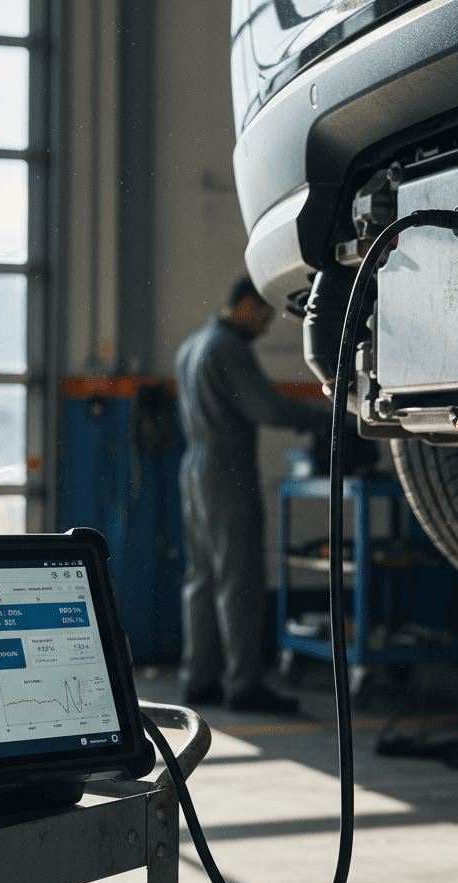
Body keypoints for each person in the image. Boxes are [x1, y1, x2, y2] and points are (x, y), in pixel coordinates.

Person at [175, 277, 331, 711]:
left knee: (202, 578)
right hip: (225, 469)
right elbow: (269, 409)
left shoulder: (192, 345)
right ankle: (245, 686)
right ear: (245, 305)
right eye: (263, 315)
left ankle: (197, 678)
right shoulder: (228, 349)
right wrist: (326, 416)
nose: (265, 326)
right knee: (238, 579)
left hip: (193, 467)